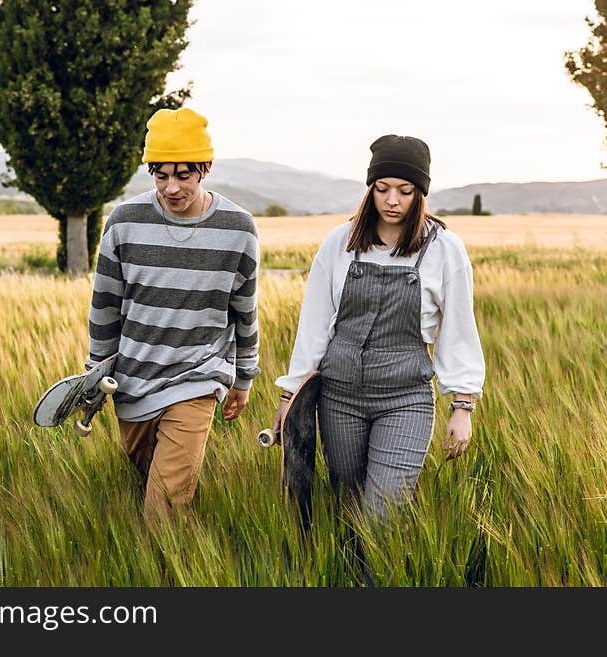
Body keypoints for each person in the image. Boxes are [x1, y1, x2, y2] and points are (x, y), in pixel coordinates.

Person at [273, 134, 485, 520]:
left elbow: (459, 330)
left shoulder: (444, 249)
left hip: (405, 400)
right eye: (382, 189)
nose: (392, 200)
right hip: (339, 398)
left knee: (384, 515)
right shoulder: (340, 243)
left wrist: (462, 405)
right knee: (347, 508)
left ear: (420, 194)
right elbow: (314, 325)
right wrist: (292, 397)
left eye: (405, 191)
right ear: (370, 189)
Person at [87, 107, 260, 525]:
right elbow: (105, 305)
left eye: (183, 175)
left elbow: (244, 309)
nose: (171, 187)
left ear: (206, 169)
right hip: (133, 379)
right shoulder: (125, 221)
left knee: (161, 510)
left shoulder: (238, 227)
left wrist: (244, 377)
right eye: (160, 174)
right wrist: (94, 375)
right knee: (146, 484)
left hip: (197, 377)